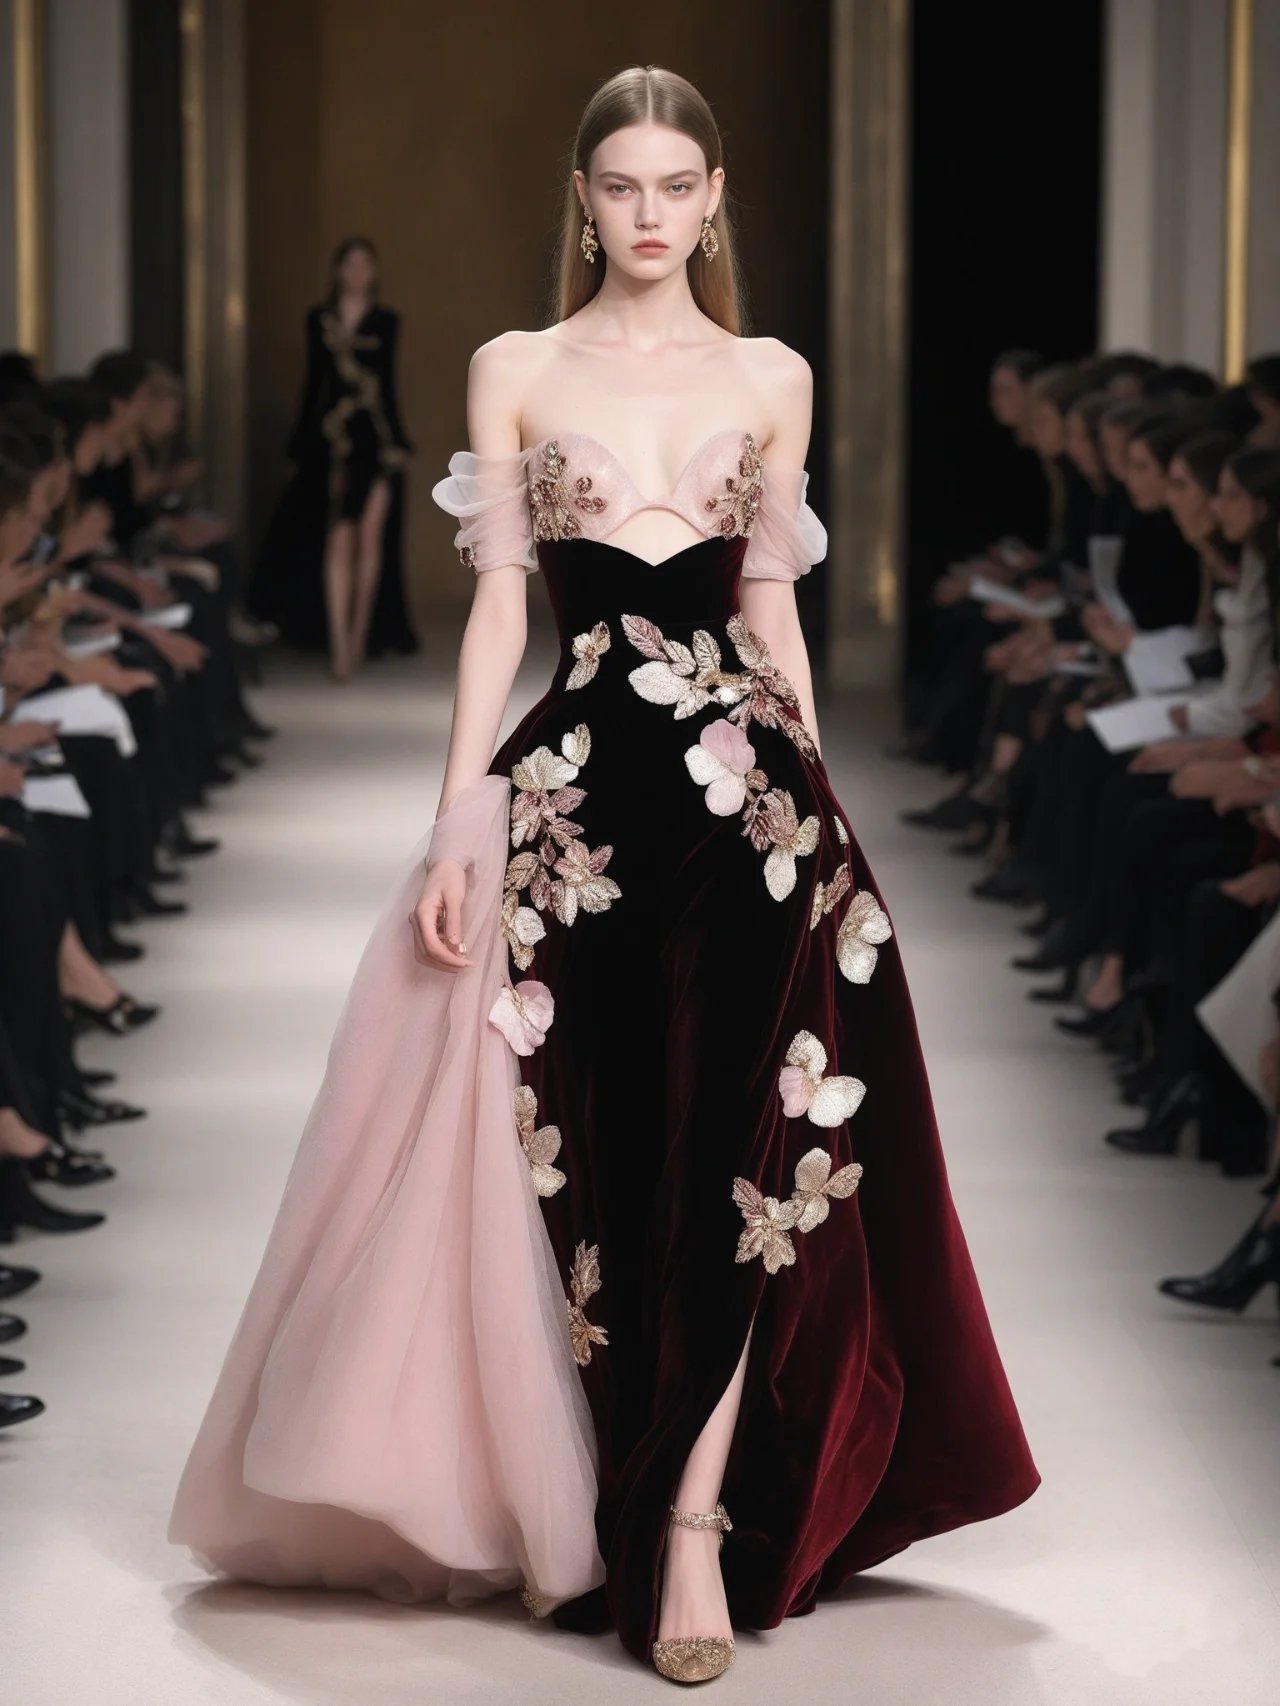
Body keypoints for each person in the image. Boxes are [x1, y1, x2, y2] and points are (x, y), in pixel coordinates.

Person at [168, 66, 1040, 1685]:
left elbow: (770, 608)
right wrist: (456, 822)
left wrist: (826, 804)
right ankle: (597, 1470)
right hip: (574, 809)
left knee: (739, 1143)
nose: (651, 213)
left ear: (714, 201)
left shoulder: (772, 376)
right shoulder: (515, 365)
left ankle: (692, 1519)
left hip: (749, 803)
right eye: (623, 186)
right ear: (584, 200)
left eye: (677, 186)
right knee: (607, 1133)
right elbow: (500, 615)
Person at [246, 237, 418, 676]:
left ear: (374, 272)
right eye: (351, 263)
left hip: (374, 440)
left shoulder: (386, 321)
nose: (358, 272)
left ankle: (359, 636)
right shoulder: (319, 319)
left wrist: (398, 439)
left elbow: (388, 384)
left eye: (366, 264)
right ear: (338, 270)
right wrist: (301, 438)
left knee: (370, 540)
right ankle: (340, 644)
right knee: (338, 538)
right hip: (333, 440)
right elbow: (314, 382)